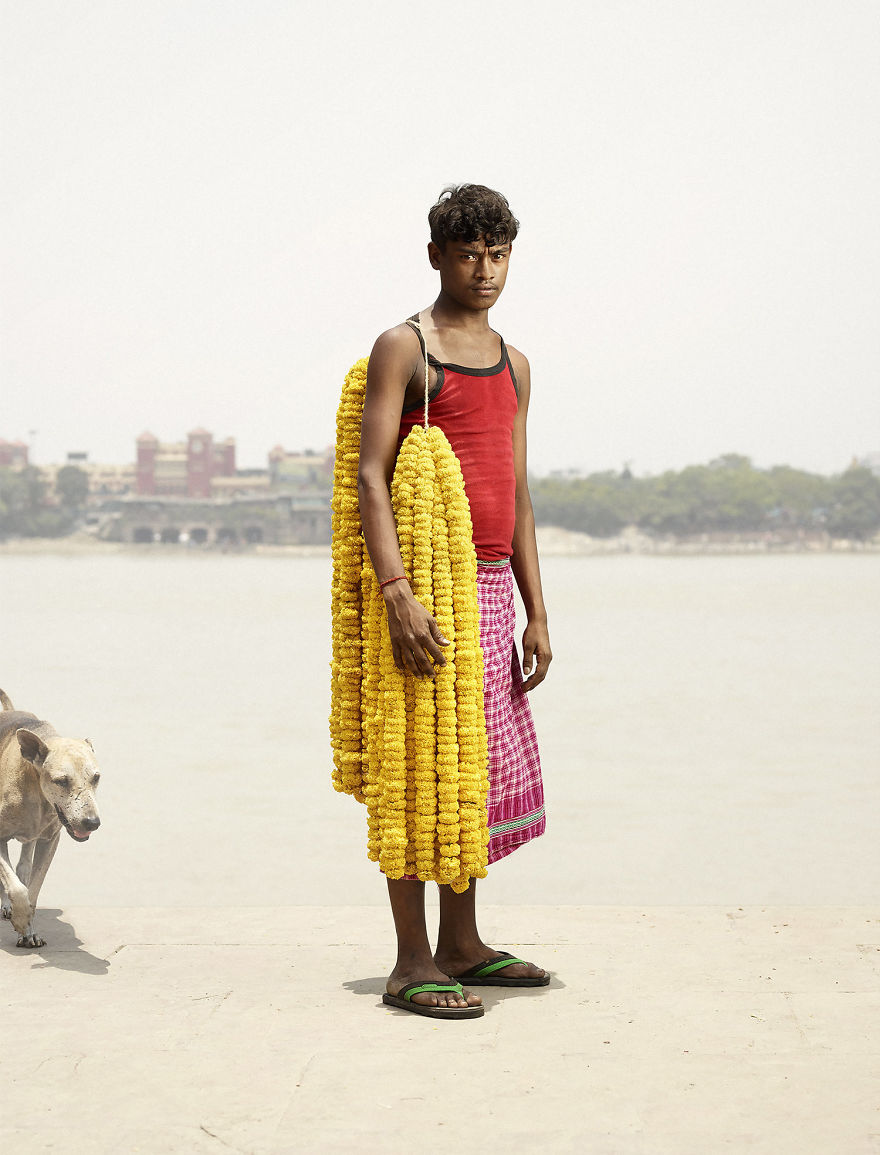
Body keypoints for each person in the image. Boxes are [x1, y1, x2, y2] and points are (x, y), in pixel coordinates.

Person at [357, 184, 552, 1018]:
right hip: (422, 586)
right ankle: (410, 960)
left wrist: (537, 607)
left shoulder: (514, 362)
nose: (486, 270)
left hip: (490, 589)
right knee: (413, 764)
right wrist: (396, 591)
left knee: (465, 768)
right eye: (470, 253)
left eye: (499, 253)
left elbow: (519, 490)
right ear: (436, 254)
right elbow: (370, 473)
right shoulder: (407, 348)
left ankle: (463, 944)